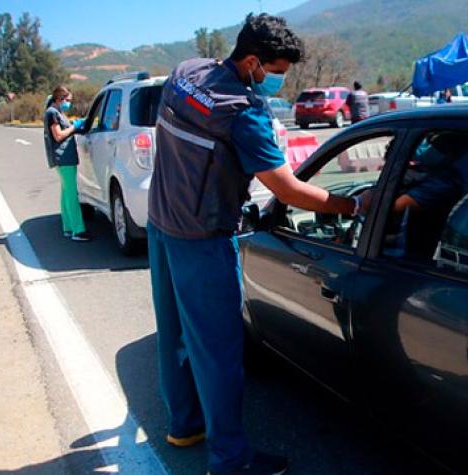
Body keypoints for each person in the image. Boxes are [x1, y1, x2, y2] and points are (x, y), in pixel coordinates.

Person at [147, 13, 364, 475]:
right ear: (251, 62)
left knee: (174, 334)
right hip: (203, 239)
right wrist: (352, 208)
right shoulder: (243, 113)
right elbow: (287, 190)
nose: (279, 81)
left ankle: (184, 424)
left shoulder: (186, 72)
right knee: (220, 351)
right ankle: (230, 461)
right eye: (278, 71)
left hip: (161, 223)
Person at [43, 86, 91, 242]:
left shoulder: (56, 112)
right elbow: (58, 136)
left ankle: (68, 228)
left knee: (65, 193)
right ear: (60, 99)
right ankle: (78, 230)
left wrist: (75, 127)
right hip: (63, 157)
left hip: (64, 157)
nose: (69, 103)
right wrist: (73, 127)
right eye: (68, 100)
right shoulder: (52, 113)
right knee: (71, 194)